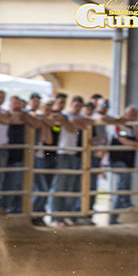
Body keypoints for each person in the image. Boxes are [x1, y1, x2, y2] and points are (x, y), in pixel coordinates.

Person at [49, 95, 94, 225]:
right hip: (63, 153)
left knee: (70, 186)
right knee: (60, 185)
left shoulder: (77, 118)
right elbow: (66, 123)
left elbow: (87, 123)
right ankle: (56, 216)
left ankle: (66, 214)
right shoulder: (65, 115)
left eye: (80, 106)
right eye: (75, 105)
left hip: (73, 154)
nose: (77, 108)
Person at [108, 105, 138, 224]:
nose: (132, 117)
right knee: (123, 182)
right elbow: (124, 140)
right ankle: (126, 201)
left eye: (134, 115)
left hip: (128, 162)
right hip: (117, 161)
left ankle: (114, 217)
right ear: (125, 115)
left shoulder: (134, 128)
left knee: (122, 187)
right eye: (130, 114)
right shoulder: (119, 126)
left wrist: (136, 131)